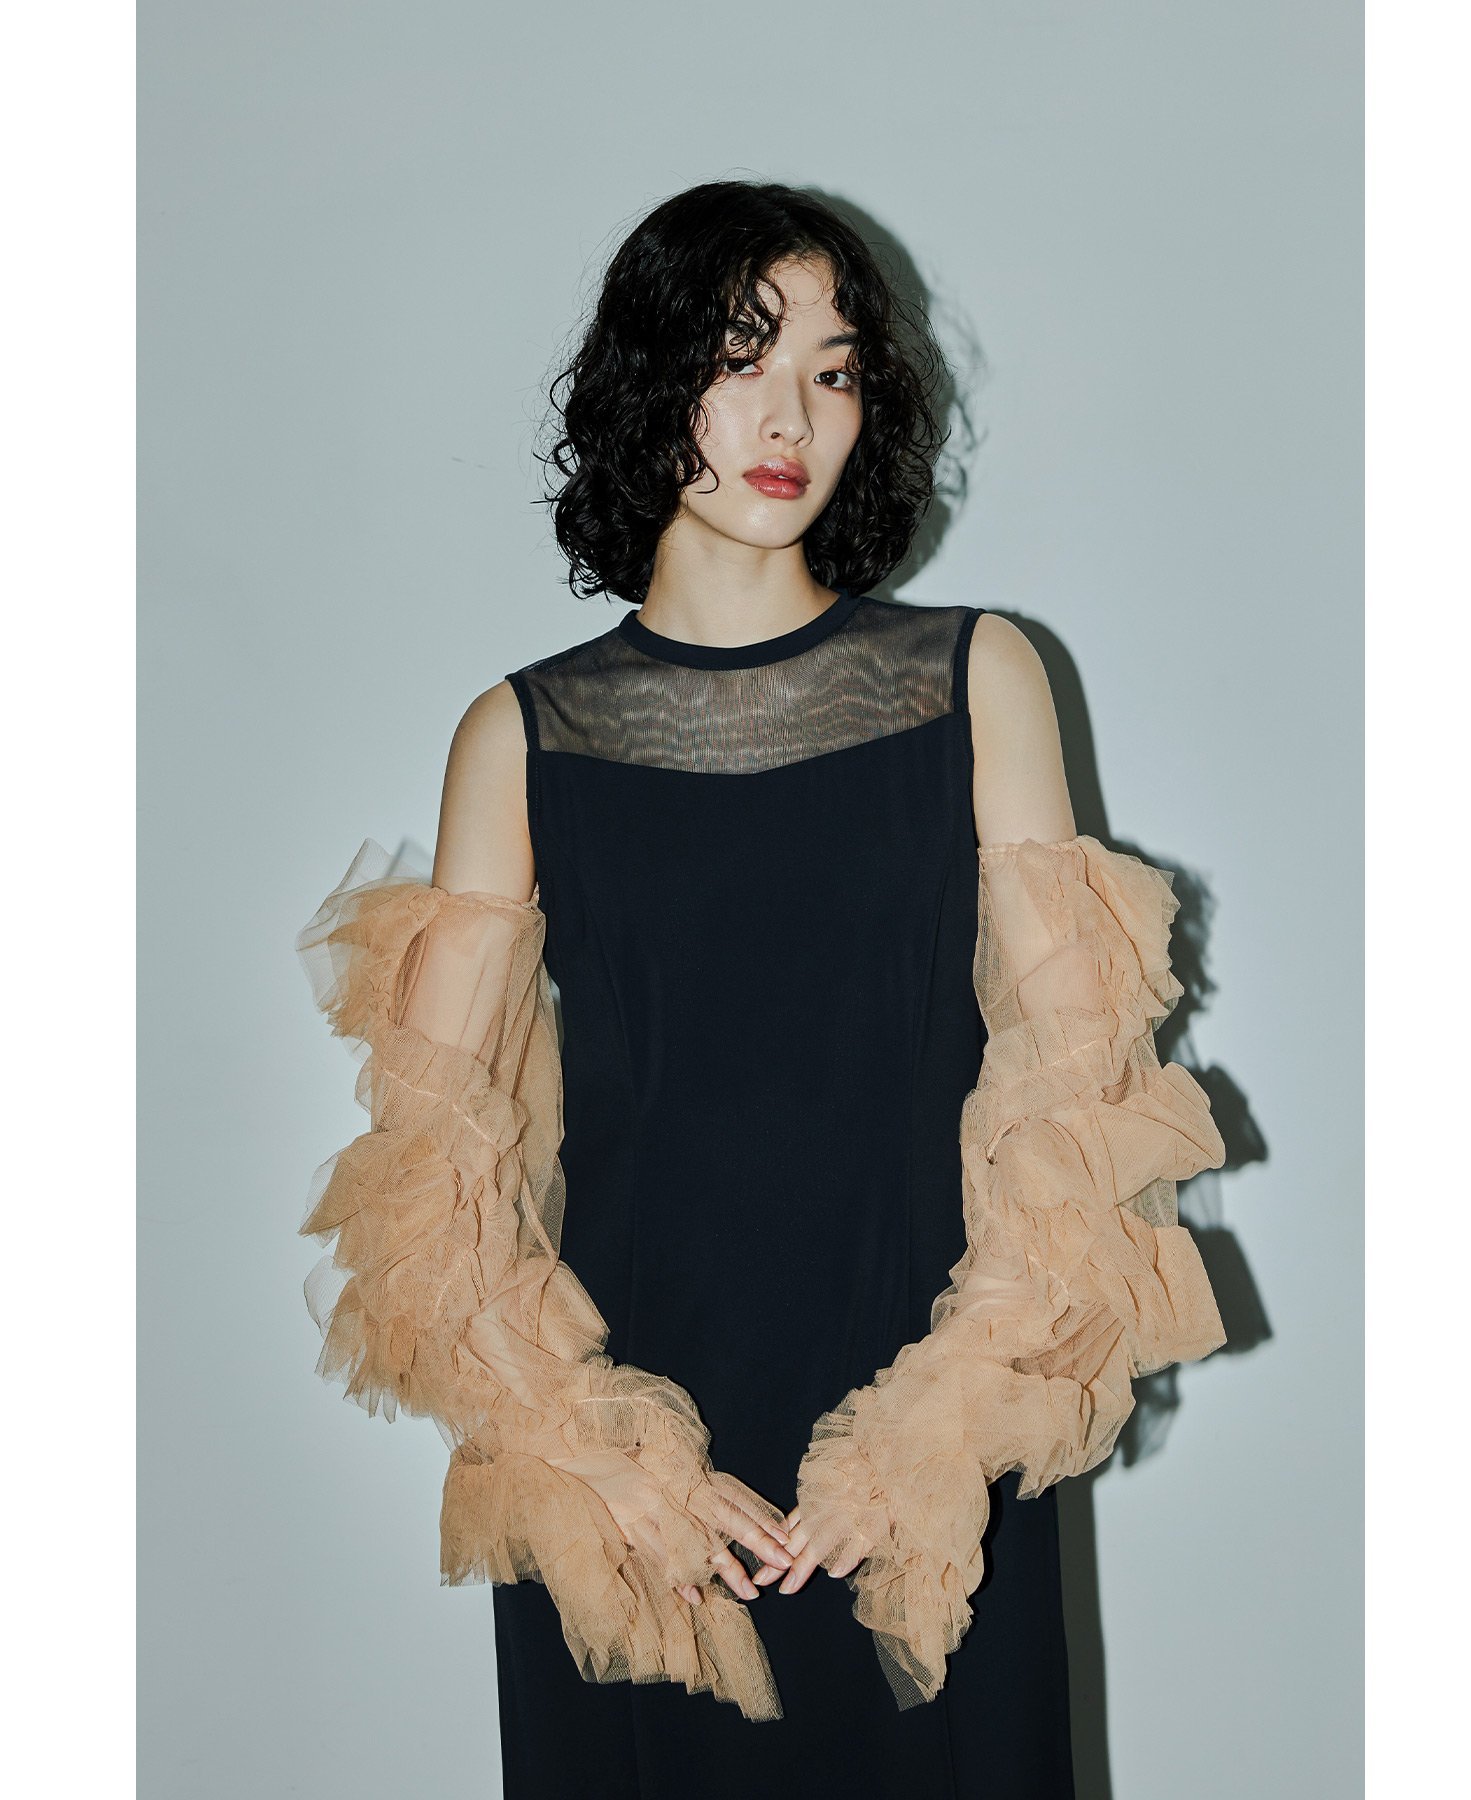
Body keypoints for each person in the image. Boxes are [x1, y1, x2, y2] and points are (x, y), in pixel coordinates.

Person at [295, 180, 1228, 1800]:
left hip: (934, 1441)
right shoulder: (519, 738)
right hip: (638, 1477)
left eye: (836, 370)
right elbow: (434, 1192)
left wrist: (933, 1438)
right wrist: (604, 1462)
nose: (794, 416)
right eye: (743, 358)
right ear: (650, 380)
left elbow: (1075, 1107)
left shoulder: (976, 678)